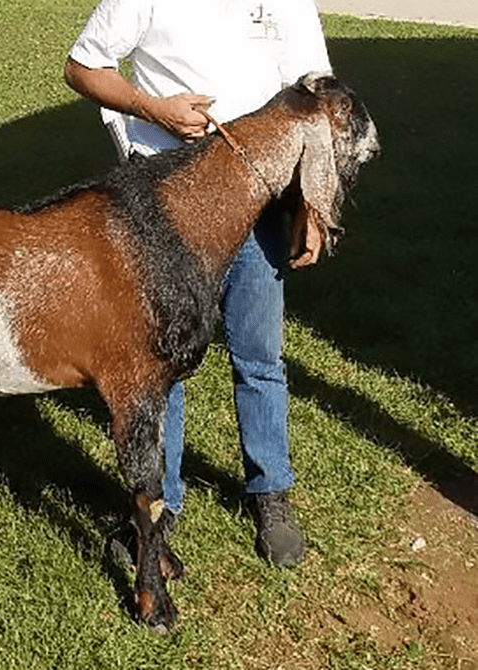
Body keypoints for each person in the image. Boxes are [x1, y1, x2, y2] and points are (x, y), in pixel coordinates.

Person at [64, 0, 333, 567]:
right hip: (164, 208)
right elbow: (82, 66)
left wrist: (313, 201)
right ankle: (165, 501)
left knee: (260, 357)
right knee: (164, 362)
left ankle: (271, 493)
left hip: (260, 199)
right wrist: (152, 108)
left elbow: (315, 96)